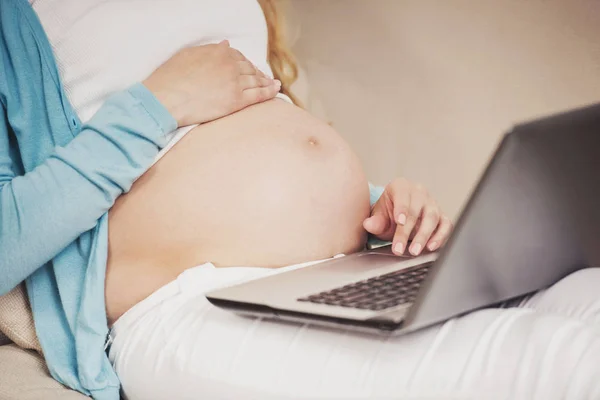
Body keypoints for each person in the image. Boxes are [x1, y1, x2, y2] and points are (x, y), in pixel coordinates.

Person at [1, 0, 599, 399]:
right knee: (559, 366)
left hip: (349, 269)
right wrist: (153, 108)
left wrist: (376, 208)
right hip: (194, 302)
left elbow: (246, 136)